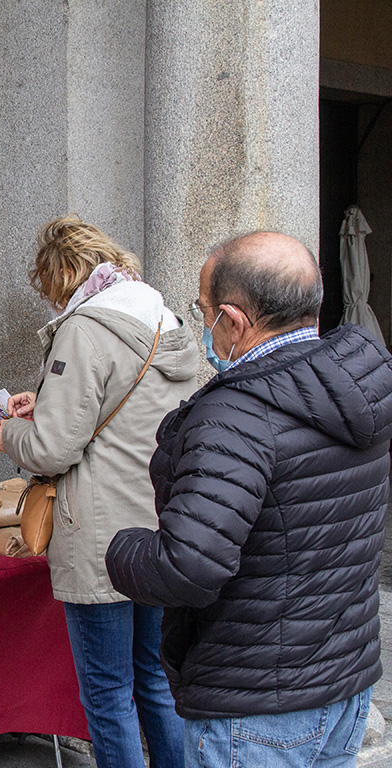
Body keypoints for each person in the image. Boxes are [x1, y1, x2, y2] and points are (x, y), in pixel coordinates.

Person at [106, 232, 392, 767]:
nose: (203, 324)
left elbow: (187, 567)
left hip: (257, 701)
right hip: (344, 681)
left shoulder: (235, 416)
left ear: (233, 320)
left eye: (204, 310)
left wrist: (122, 546)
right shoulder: (360, 384)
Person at [0, 215, 198, 768]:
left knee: (108, 693)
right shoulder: (165, 318)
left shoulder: (84, 327)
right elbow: (121, 410)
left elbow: (53, 450)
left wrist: (5, 433)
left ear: (61, 275)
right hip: (160, 523)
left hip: (100, 532)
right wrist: (49, 406)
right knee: (155, 679)